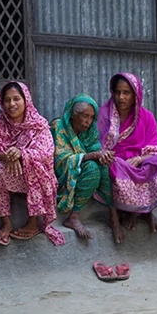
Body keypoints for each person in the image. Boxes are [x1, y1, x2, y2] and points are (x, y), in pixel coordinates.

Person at [98, 73, 157, 242]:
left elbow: (154, 148)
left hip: (140, 160)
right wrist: (118, 159)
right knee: (110, 165)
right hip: (116, 161)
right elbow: (98, 146)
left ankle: (143, 212)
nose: (121, 97)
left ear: (136, 95)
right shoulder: (103, 115)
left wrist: (141, 159)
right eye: (118, 92)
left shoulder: (147, 117)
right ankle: (119, 218)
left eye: (126, 93)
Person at [0, 81, 64, 246]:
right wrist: (8, 156)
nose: (11, 104)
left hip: (34, 179)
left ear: (25, 99)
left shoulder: (39, 124)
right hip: (9, 173)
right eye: (7, 100)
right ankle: (6, 222)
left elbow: (47, 154)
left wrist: (22, 154)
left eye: (16, 99)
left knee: (34, 164)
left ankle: (33, 221)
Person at [50, 94, 111, 240]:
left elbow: (96, 152)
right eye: (84, 116)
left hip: (79, 172)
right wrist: (90, 156)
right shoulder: (58, 127)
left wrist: (103, 155)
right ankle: (73, 218)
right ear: (72, 114)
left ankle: (75, 216)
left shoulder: (90, 133)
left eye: (91, 117)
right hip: (59, 175)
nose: (87, 122)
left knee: (98, 167)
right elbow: (58, 159)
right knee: (92, 163)